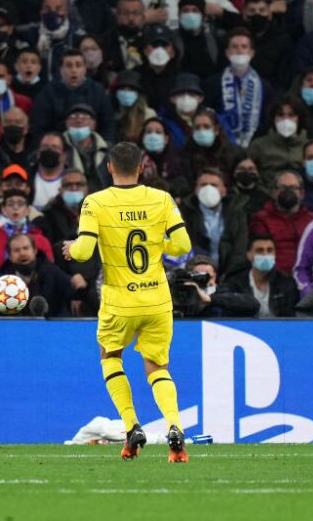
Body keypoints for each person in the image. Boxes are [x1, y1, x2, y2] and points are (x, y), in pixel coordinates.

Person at [63, 142, 193, 463]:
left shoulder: (95, 202)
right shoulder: (162, 199)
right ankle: (174, 426)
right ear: (141, 168)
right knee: (158, 367)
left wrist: (71, 248)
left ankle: (132, 426)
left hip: (119, 302)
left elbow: (83, 252)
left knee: (111, 357)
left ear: (109, 167)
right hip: (157, 300)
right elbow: (182, 245)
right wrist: (157, 243)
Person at [203, 28, 271, 149]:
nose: (239, 51)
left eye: (244, 47)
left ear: (252, 53)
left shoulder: (264, 86)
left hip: (255, 147)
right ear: (227, 52)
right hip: (221, 146)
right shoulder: (212, 84)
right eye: (234, 47)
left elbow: (267, 120)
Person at [180, 168, 249, 276]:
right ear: (196, 190)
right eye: (203, 185)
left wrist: (231, 275)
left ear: (224, 191)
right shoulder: (184, 214)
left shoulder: (237, 214)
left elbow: (240, 249)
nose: (208, 189)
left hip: (231, 274)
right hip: (196, 273)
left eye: (214, 185)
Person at [249, 170, 313, 274]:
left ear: (302, 194)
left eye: (293, 188)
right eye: (283, 188)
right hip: (275, 276)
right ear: (274, 193)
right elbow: (262, 252)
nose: (288, 192)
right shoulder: (261, 219)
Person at [223, 234, 299, 317]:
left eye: (269, 250)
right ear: (249, 255)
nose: (265, 255)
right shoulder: (236, 284)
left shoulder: (287, 284)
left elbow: (291, 318)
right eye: (260, 250)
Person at [177, 255, 260, 317]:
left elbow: (253, 304)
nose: (202, 280)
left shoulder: (226, 291)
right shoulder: (181, 294)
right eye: (197, 276)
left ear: (214, 276)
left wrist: (211, 299)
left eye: (207, 276)